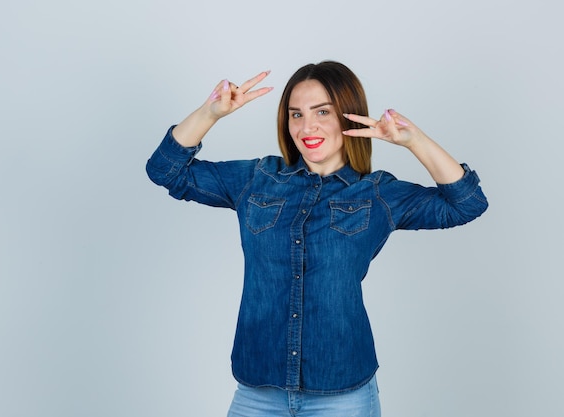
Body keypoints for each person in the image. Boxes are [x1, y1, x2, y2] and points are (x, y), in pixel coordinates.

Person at [146, 61, 488, 417]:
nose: (307, 126)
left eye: (322, 112)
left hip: (342, 393)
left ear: (348, 116)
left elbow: (467, 203)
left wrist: (412, 139)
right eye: (296, 114)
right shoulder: (257, 178)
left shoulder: (376, 193)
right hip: (258, 391)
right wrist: (210, 112)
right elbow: (165, 170)